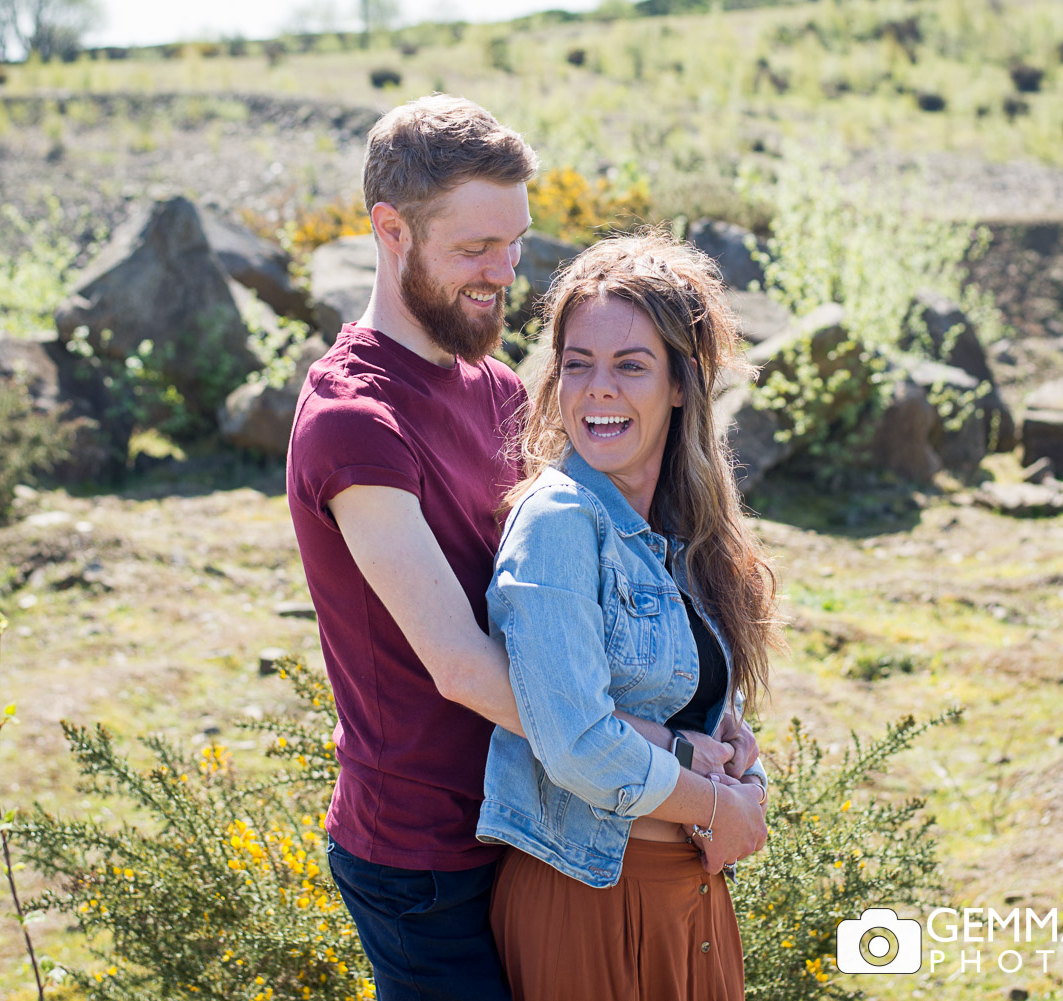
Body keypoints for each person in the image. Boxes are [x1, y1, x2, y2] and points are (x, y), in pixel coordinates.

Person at [286, 97, 764, 1001]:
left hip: (537, 818)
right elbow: (464, 667)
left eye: (515, 242)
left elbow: (595, 582)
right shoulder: (355, 422)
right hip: (426, 850)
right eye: (474, 249)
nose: (504, 273)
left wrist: (707, 713)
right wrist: (673, 753)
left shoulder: (498, 386)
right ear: (390, 231)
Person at [478, 231, 784, 1001]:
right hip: (590, 894)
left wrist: (738, 755)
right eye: (577, 364)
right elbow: (577, 743)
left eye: (630, 365)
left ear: (681, 385)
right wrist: (718, 802)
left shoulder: (681, 529)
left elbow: (688, 697)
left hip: (692, 893)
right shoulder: (558, 520)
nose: (597, 389)